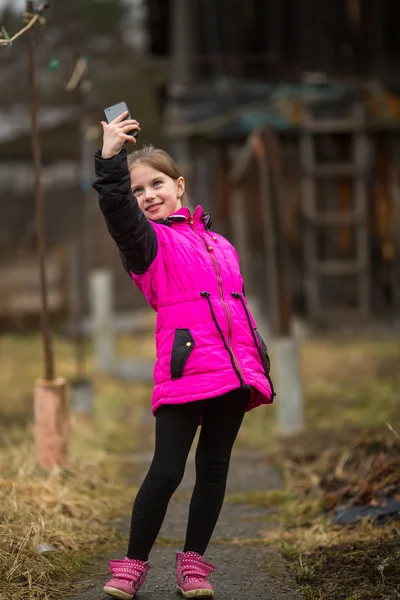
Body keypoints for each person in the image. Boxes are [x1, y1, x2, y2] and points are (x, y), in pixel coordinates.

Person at [93, 111, 275, 600]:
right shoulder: (149, 245)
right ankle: (132, 566)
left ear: (179, 186)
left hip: (235, 374)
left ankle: (193, 566)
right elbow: (117, 214)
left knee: (214, 470)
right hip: (185, 371)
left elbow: (236, 308)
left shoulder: (221, 244)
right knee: (167, 471)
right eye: (138, 191)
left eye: (155, 184)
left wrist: (258, 357)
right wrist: (110, 159)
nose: (147, 195)